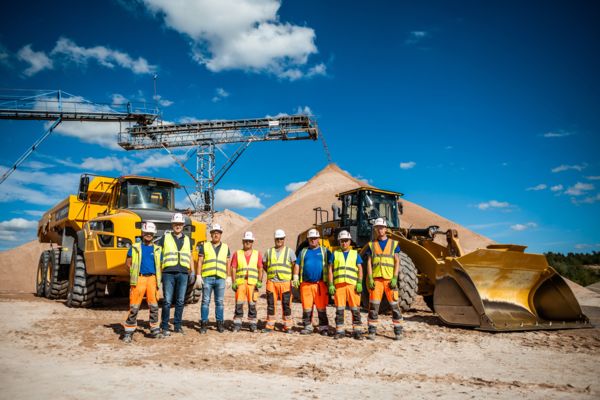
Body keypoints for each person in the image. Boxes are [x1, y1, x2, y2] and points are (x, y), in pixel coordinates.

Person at [121, 222, 163, 343]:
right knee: (134, 306)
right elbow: (127, 264)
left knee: (154, 306)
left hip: (152, 279)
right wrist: (134, 274)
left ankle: (155, 329)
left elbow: (160, 265)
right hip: (139, 279)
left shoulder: (157, 249)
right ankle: (128, 331)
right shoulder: (135, 248)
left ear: (153, 235)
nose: (148, 235)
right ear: (142, 233)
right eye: (146, 233)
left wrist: (156, 279)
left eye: (151, 233)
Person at [365, 218, 403, 340]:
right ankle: (371, 332)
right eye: (378, 227)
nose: (380, 229)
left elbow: (397, 261)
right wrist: (370, 278)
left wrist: (395, 277)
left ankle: (398, 332)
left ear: (386, 229)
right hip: (376, 280)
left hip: (389, 280)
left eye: (382, 227)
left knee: (395, 306)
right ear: (375, 229)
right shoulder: (371, 245)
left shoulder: (394, 244)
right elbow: (369, 262)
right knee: (374, 307)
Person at [157, 212, 193, 336]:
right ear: (172, 225)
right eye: (176, 224)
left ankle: (177, 326)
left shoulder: (188, 239)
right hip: (168, 273)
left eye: (180, 224)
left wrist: (192, 271)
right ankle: (165, 325)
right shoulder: (165, 237)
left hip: (183, 273)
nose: (178, 226)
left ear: (183, 225)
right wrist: (158, 271)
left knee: (180, 301)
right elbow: (158, 255)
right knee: (167, 301)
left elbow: (190, 255)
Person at [293, 228, 331, 336]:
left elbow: (331, 264)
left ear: (318, 239)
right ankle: (307, 326)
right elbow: (297, 265)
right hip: (306, 284)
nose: (313, 240)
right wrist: (295, 277)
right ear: (308, 239)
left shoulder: (325, 251)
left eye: (315, 238)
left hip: (320, 284)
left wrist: (331, 281)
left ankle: (323, 327)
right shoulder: (303, 252)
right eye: (311, 239)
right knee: (306, 307)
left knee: (321, 307)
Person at [195, 223, 232, 334]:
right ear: (211, 234)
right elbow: (200, 262)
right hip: (207, 277)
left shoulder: (226, 247)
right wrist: (198, 275)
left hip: (220, 278)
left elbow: (227, 263)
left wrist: (229, 276)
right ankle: (204, 324)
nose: (216, 235)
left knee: (219, 302)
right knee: (205, 301)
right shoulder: (204, 246)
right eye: (214, 233)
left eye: (218, 233)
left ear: (221, 234)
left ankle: (220, 323)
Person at [328, 230, 364, 340]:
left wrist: (359, 282)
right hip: (339, 286)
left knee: (355, 309)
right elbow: (330, 269)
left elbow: (360, 269)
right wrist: (331, 284)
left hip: (352, 286)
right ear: (339, 242)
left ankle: (357, 331)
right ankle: (339, 331)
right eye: (342, 241)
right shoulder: (335, 254)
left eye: (346, 241)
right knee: (339, 309)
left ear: (350, 241)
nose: (344, 243)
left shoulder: (355, 253)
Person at [263, 229, 296, 333]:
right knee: (271, 304)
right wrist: (270, 272)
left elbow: (295, 265)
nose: (279, 240)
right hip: (272, 281)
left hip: (285, 282)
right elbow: (264, 264)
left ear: (284, 239)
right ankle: (270, 325)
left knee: (286, 304)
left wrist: (294, 277)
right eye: (277, 238)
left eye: (281, 238)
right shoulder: (269, 251)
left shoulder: (289, 251)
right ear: (274, 239)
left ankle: (288, 326)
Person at [231, 231, 263, 332]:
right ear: (242, 241)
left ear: (252, 242)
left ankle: (252, 323)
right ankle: (237, 323)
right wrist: (233, 281)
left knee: (252, 304)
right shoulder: (237, 253)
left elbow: (260, 268)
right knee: (239, 303)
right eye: (246, 241)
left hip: (252, 283)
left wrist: (260, 280)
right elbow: (233, 268)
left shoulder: (257, 254)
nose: (247, 242)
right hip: (240, 282)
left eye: (249, 241)